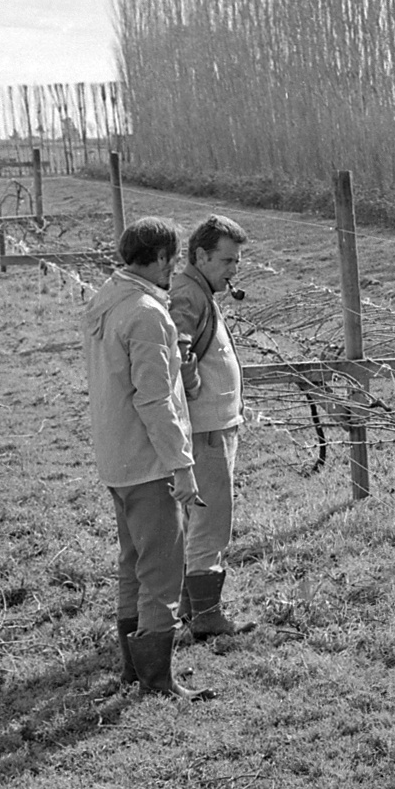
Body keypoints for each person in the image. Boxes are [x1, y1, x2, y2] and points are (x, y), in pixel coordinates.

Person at [82, 216, 213, 700]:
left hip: (116, 456)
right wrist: (182, 464)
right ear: (160, 258)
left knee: (133, 561)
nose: (173, 270)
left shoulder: (106, 301)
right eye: (173, 260)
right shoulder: (147, 314)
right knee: (162, 567)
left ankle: (134, 669)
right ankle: (159, 680)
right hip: (148, 460)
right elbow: (153, 400)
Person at [170, 214, 257, 639]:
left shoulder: (200, 289)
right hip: (205, 427)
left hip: (213, 423)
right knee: (211, 518)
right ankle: (206, 618)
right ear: (201, 255)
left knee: (201, 518)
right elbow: (178, 346)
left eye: (237, 262)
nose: (233, 270)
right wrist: (194, 386)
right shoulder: (188, 292)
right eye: (227, 261)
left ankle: (190, 609)